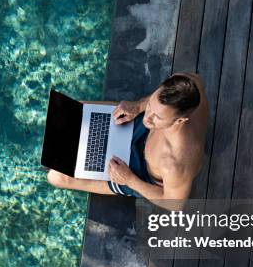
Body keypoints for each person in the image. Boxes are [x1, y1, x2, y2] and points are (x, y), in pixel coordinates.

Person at [46, 72, 208, 211]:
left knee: (56, 177)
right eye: (151, 105)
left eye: (157, 116)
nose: (148, 117)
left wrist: (130, 180)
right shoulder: (186, 83)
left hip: (137, 171)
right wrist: (138, 106)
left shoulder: (176, 163)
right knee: (72, 110)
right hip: (141, 131)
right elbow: (196, 78)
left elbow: (175, 203)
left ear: (180, 121)